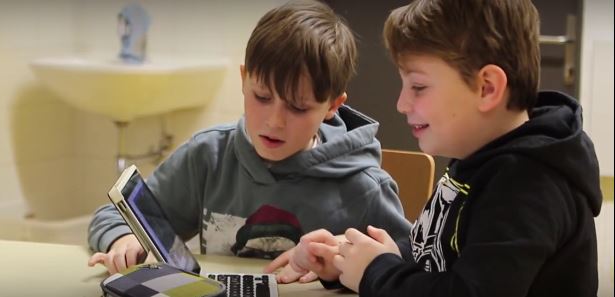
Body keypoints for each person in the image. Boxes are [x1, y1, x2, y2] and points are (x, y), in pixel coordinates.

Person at [288, 0, 603, 296]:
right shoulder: (482, 155)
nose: (401, 104)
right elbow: (440, 253)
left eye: (419, 87)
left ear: (487, 88)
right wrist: (355, 258)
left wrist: (376, 272)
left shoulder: (528, 185)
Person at [87, 0, 411, 283]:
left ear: (332, 106)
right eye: (262, 96)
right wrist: (125, 240)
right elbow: (114, 215)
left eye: (298, 107)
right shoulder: (207, 156)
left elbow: (413, 262)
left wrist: (344, 255)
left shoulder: (365, 187)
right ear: (244, 80)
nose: (274, 121)